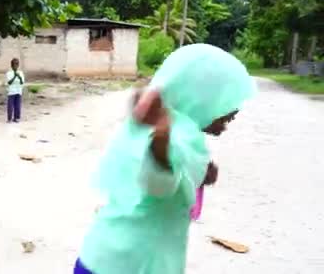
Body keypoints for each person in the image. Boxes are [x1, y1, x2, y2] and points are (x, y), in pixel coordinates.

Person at [74, 44, 256, 274]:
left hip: (105, 255)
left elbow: (167, 176)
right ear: (202, 97)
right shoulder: (175, 134)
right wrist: (160, 148)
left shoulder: (174, 128)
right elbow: (158, 185)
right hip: (128, 265)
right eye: (227, 103)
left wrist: (198, 173)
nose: (233, 112)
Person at [6, 58, 24, 123]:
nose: (16, 66)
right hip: (11, 92)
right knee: (10, 106)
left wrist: (19, 77)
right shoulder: (9, 73)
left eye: (17, 64)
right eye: (14, 64)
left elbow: (22, 82)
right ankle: (9, 119)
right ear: (11, 65)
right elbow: (9, 82)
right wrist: (14, 77)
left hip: (18, 91)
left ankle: (16, 118)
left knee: (18, 106)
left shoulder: (21, 73)